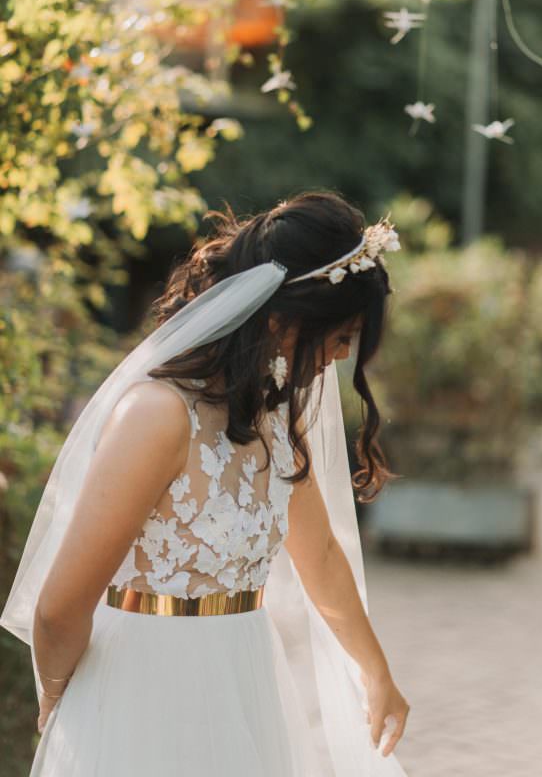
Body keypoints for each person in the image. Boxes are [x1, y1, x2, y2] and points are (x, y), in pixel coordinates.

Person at [1, 191, 410, 776]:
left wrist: (376, 673)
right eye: (340, 336)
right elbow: (60, 607)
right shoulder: (156, 415)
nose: (340, 357)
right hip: (140, 692)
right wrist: (60, 697)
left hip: (243, 680)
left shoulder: (270, 419)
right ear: (280, 319)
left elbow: (318, 553)